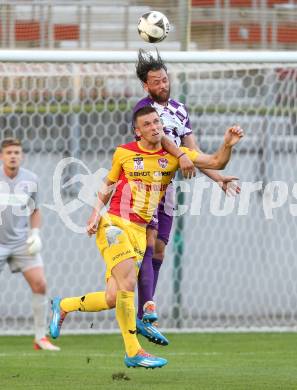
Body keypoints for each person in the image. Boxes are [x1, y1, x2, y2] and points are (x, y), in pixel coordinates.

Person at [49, 106, 243, 368]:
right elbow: (108, 184)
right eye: (148, 124)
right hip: (114, 224)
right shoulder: (124, 152)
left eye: (157, 122)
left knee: (113, 297)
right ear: (137, 131)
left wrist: (227, 144)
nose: (155, 127)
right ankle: (133, 352)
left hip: (140, 232)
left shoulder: (174, 155)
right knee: (128, 283)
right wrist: (95, 214)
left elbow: (217, 162)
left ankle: (64, 305)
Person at [134, 49, 241, 342]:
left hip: (166, 187)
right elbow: (162, 138)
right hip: (144, 184)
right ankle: (145, 307)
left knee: (159, 249)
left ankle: (145, 314)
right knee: (148, 243)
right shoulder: (144, 110)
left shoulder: (180, 109)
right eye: (156, 82)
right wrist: (181, 154)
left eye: (165, 79)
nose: (162, 85)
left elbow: (195, 152)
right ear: (146, 85)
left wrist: (217, 178)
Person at [0, 137, 59, 351]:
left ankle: (40, 338)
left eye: (16, 152)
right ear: (2, 156)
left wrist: (35, 233)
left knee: (40, 284)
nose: (13, 156)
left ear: (22, 155)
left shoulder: (31, 179)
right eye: (9, 153)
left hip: (21, 242)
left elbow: (35, 210)